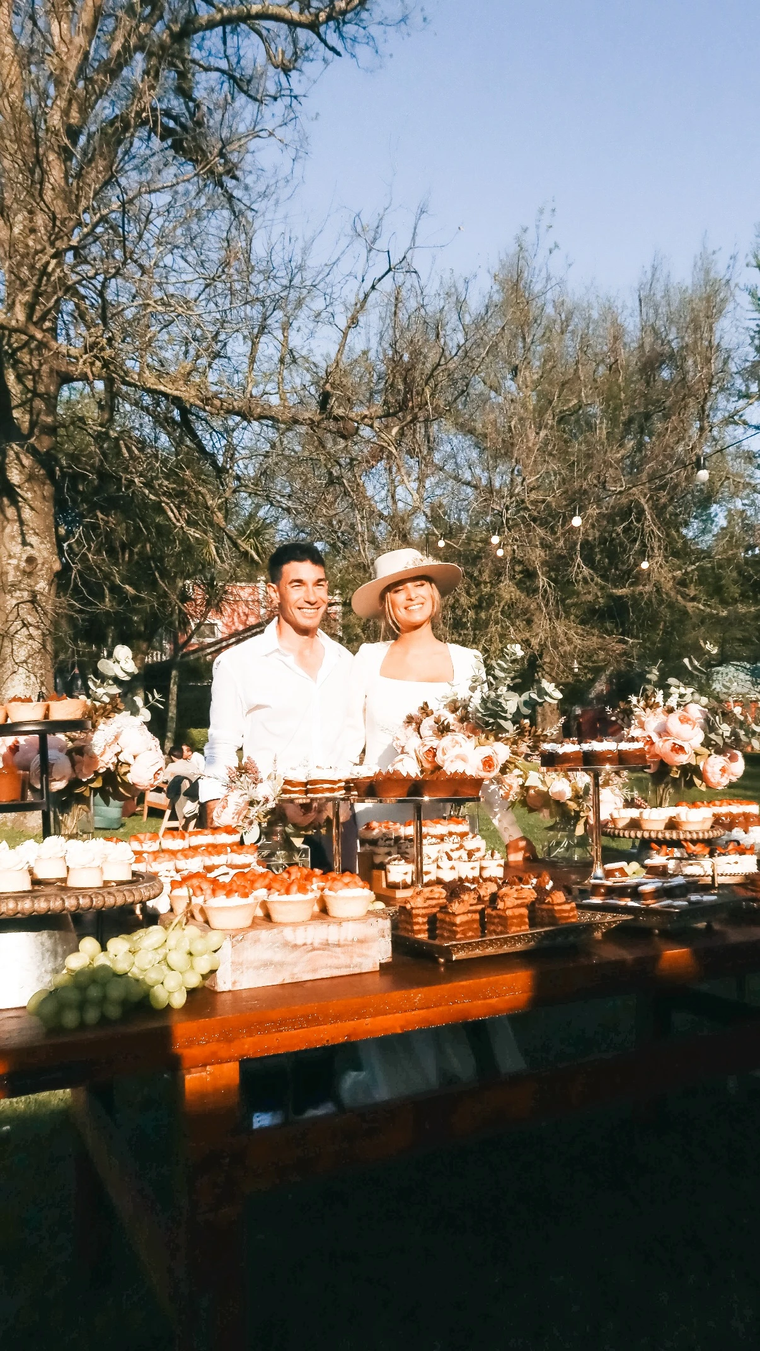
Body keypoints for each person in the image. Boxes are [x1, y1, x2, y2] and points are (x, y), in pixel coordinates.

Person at [338, 548, 530, 1106]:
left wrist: (511, 828)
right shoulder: (366, 658)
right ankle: (399, 1084)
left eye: (420, 583)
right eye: (398, 589)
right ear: (386, 604)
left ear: (435, 593)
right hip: (378, 829)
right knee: (392, 958)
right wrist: (344, 826)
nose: (412, 595)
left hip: (447, 834)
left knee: (452, 938)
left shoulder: (469, 662)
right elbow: (349, 745)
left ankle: (471, 1074)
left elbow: (485, 758)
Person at [199, 542, 355, 863]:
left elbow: (355, 743)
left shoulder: (346, 663)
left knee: (348, 908)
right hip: (271, 831)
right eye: (297, 585)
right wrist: (216, 821)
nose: (311, 597)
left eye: (319, 585)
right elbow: (221, 748)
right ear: (273, 593)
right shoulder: (238, 663)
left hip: (338, 829)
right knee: (274, 908)